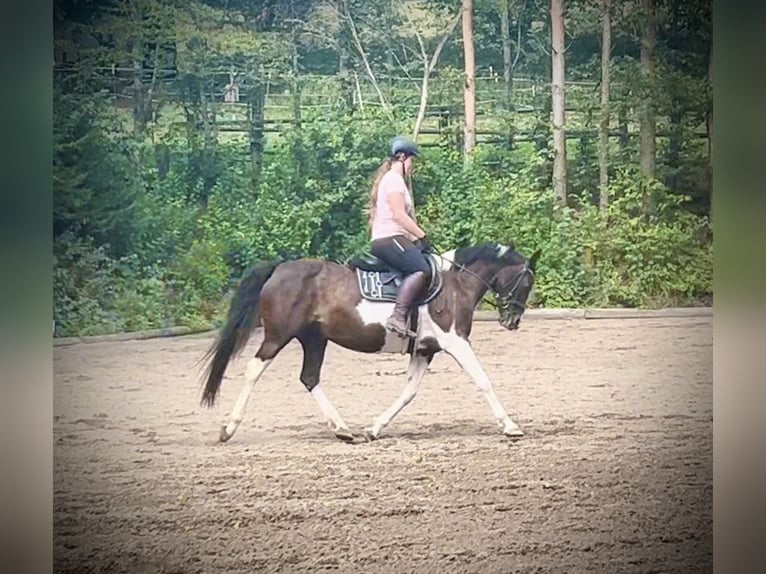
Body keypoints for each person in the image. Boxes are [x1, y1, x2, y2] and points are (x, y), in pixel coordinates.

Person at [367, 136, 433, 338]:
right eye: (412, 160)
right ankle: (398, 316)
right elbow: (398, 214)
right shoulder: (394, 181)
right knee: (421, 269)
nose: (412, 166)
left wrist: (416, 240)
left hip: (395, 238)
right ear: (402, 157)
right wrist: (421, 234)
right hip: (389, 238)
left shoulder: (394, 180)